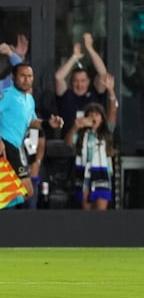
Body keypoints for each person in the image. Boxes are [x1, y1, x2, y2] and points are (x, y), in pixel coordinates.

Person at [0, 63, 64, 247]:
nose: (27, 79)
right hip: (6, 146)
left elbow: (31, 122)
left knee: (5, 192)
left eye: (29, 76)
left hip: (16, 147)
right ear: (14, 78)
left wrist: (48, 124)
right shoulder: (8, 95)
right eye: (22, 76)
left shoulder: (29, 99)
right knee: (27, 191)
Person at [64, 74, 117, 210]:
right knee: (86, 213)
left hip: (101, 175)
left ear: (102, 119)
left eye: (97, 114)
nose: (93, 116)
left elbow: (112, 113)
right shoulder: (82, 134)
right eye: (91, 113)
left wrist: (111, 91)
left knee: (100, 210)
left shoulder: (105, 132)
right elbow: (68, 142)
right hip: (83, 175)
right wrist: (76, 126)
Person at [55, 33, 109, 138]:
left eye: (83, 81)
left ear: (89, 81)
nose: (79, 84)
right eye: (76, 81)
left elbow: (103, 73)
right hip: (69, 144)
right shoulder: (66, 95)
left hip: (93, 142)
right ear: (71, 82)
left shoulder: (95, 94)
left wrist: (90, 49)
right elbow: (58, 77)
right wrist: (74, 57)